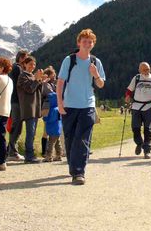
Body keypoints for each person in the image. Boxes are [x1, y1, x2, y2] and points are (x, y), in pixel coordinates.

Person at [56, 29, 106, 185]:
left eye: (90, 42)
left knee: (82, 138)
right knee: (70, 138)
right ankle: (74, 166)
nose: (87, 44)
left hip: (87, 105)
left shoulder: (96, 62)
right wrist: (60, 102)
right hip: (69, 105)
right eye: (84, 41)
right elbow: (60, 82)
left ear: (93, 44)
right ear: (79, 43)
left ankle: (79, 172)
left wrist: (96, 74)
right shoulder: (69, 60)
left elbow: (101, 84)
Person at [125, 62, 151, 159]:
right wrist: (127, 96)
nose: (146, 71)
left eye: (148, 69)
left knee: (147, 129)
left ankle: (147, 150)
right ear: (139, 70)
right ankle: (139, 143)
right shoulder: (136, 78)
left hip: (149, 107)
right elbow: (129, 90)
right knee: (135, 128)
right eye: (144, 69)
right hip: (136, 106)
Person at [17, 55, 45, 163]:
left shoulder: (32, 76)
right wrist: (37, 80)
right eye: (30, 64)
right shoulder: (22, 76)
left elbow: (39, 91)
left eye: (34, 65)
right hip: (29, 108)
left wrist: (40, 81)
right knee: (30, 133)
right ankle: (29, 156)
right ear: (24, 65)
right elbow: (29, 89)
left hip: (35, 108)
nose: (32, 67)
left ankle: (30, 154)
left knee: (32, 133)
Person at [7, 49, 29, 160]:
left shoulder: (16, 68)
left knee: (16, 124)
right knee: (17, 125)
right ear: (20, 58)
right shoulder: (18, 68)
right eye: (26, 58)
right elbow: (22, 84)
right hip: (17, 100)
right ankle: (12, 152)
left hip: (15, 100)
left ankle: (10, 150)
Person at [40, 66, 57, 157]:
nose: (55, 76)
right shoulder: (46, 84)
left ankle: (48, 151)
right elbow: (51, 95)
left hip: (52, 108)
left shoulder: (52, 84)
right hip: (47, 108)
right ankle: (45, 152)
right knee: (46, 130)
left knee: (50, 129)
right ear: (49, 75)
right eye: (53, 74)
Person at [42, 92, 63, 162]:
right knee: (57, 143)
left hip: (53, 129)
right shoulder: (58, 108)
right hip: (57, 128)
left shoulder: (53, 110)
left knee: (50, 143)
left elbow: (50, 119)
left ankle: (49, 156)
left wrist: (45, 118)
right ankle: (59, 155)